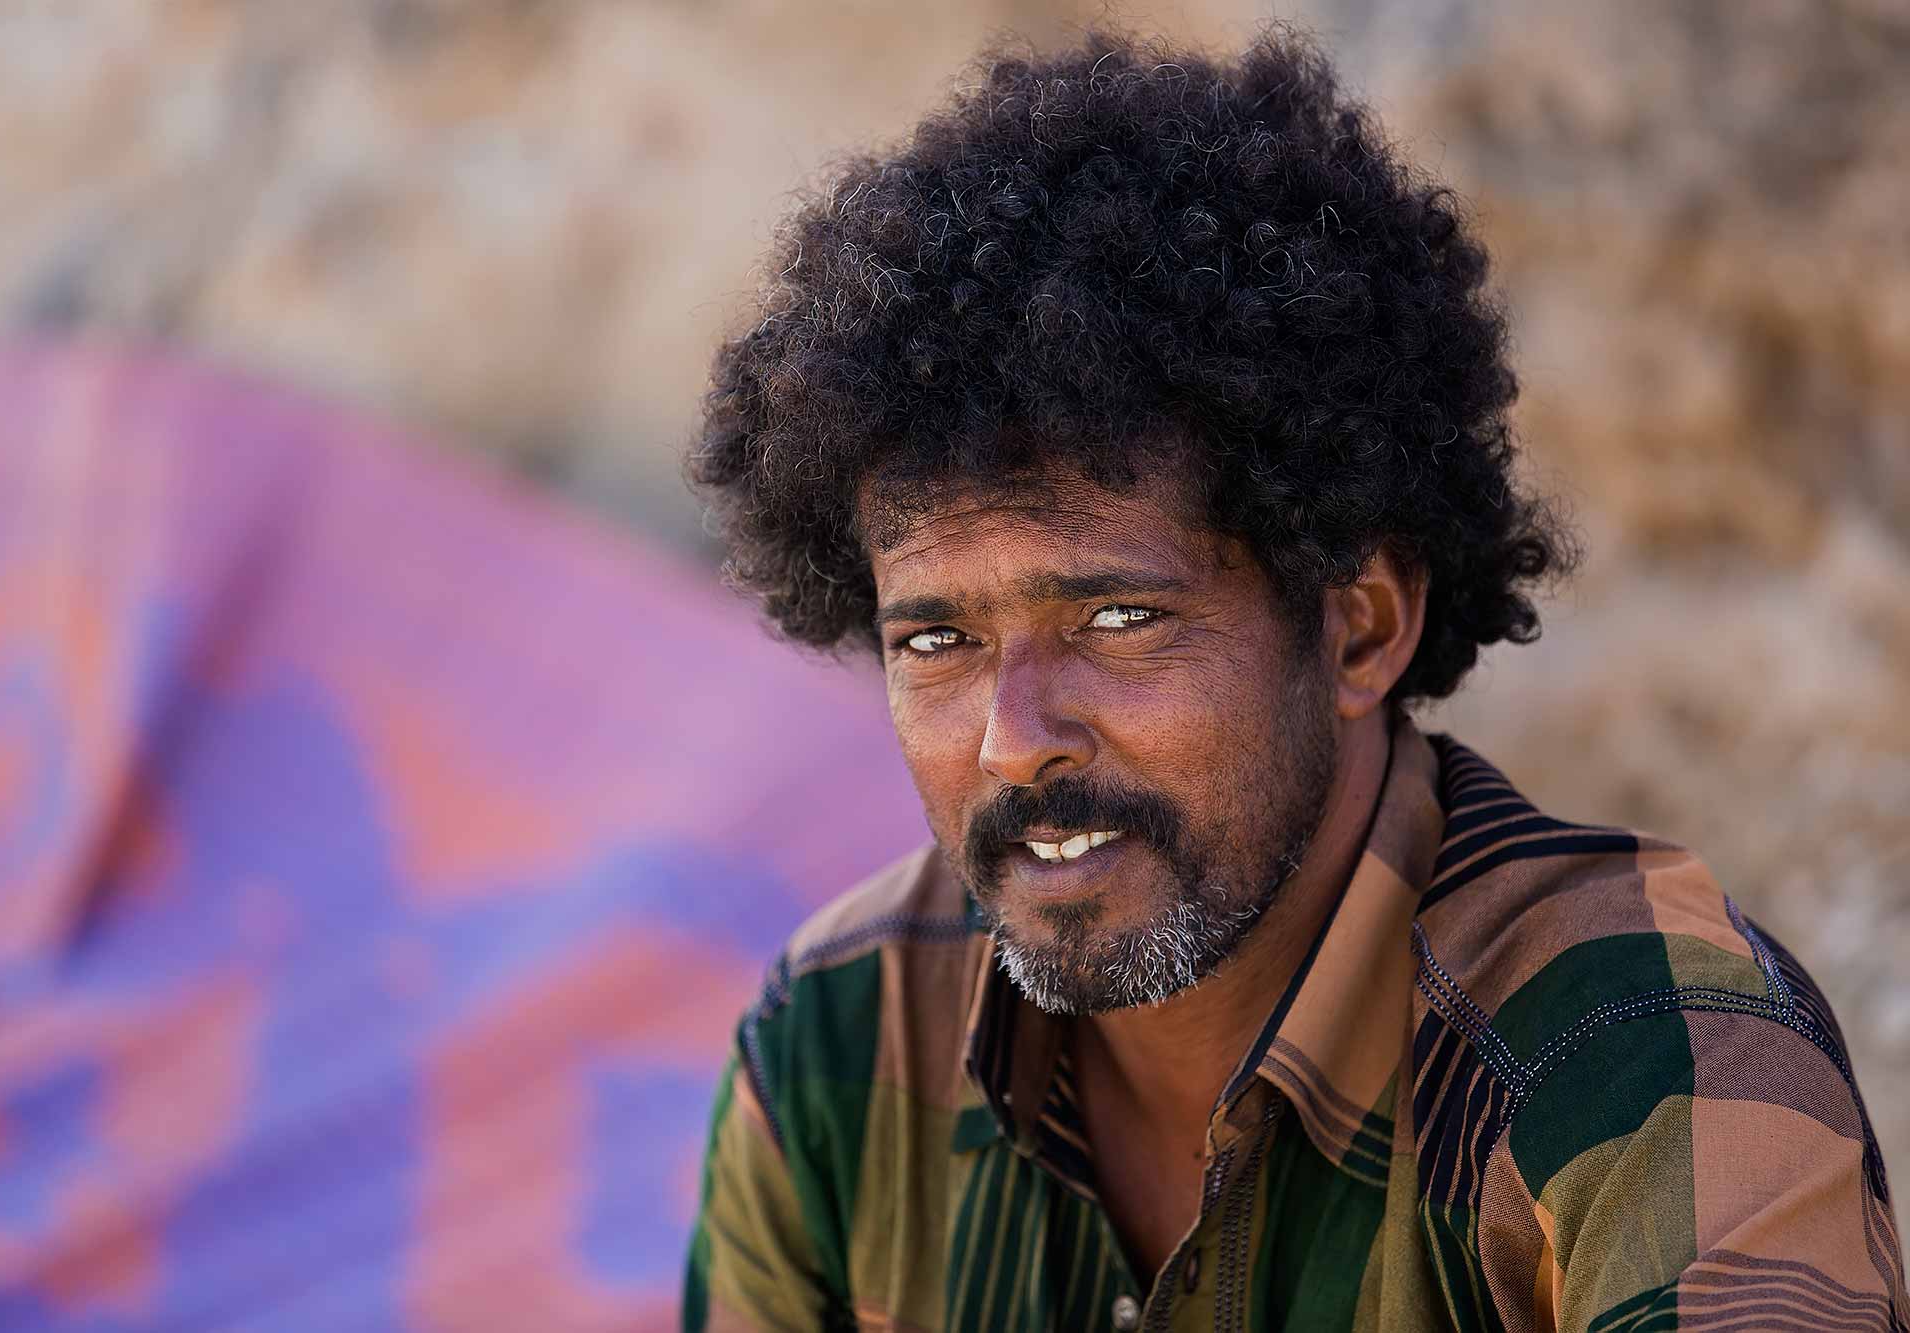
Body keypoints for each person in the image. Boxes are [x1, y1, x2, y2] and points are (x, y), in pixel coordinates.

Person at [679, 26, 1906, 1333]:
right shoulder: (843, 1044)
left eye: (1117, 615)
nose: (1012, 740)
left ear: (1362, 626)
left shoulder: (1644, 1064)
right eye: (936, 642)